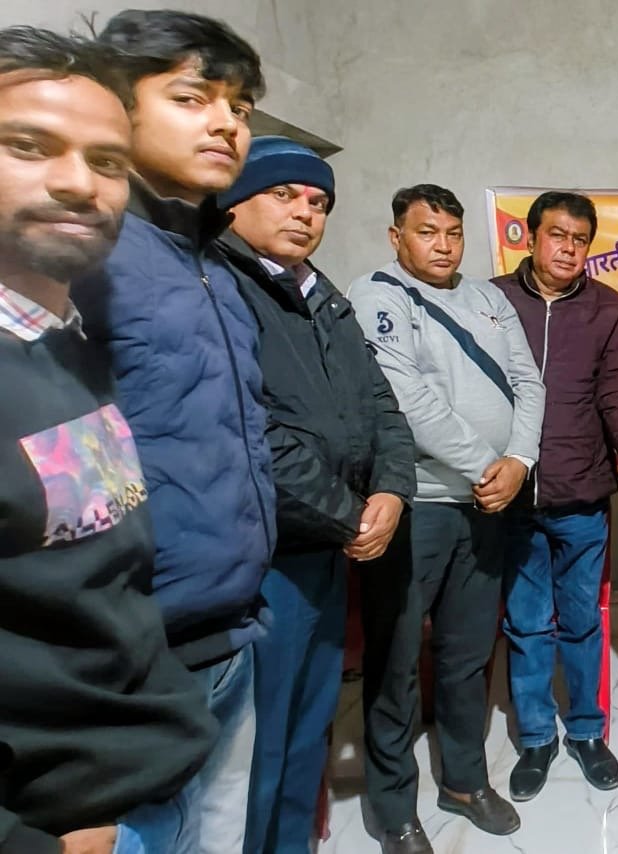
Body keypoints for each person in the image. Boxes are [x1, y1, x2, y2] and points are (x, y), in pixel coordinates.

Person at [0, 25, 217, 854]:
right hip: (63, 825)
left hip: (142, 773)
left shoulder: (67, 339)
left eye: (107, 161)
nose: (76, 183)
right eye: (28, 146)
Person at [81, 12, 274, 851]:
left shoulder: (210, 264)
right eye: (193, 98)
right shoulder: (85, 256)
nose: (226, 123)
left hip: (228, 631)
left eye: (240, 107)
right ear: (116, 106)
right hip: (128, 662)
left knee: (218, 835)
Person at [216, 136, 416, 853]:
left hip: (329, 550)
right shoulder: (220, 288)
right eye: (283, 195)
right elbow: (253, 432)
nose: (305, 213)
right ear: (233, 202)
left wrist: (392, 489)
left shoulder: (322, 295)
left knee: (307, 728)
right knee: (257, 748)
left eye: (319, 202)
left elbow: (381, 404)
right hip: (265, 558)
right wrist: (349, 515)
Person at [349, 184, 544, 853]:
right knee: (396, 661)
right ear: (396, 236)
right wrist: (490, 465)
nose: (443, 245)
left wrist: (520, 460)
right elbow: (406, 399)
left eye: (453, 233)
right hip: (419, 506)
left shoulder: (488, 297)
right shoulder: (378, 297)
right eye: (427, 232)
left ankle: (464, 781)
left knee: (466, 654)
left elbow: (529, 382)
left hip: (488, 506)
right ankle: (392, 808)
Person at [491, 191, 618, 800]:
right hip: (510, 498)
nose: (568, 249)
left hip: (581, 494)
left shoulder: (609, 309)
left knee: (580, 623)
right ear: (530, 237)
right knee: (526, 625)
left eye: (580, 240)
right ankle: (535, 739)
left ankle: (586, 732)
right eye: (557, 235)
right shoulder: (491, 301)